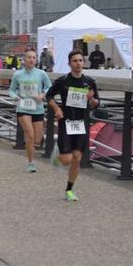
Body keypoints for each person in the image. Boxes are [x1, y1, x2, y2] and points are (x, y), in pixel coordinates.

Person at [46, 49, 99, 202]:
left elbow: (96, 104)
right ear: (69, 64)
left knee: (77, 157)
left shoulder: (90, 82)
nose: (78, 64)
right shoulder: (63, 81)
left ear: (84, 63)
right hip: (66, 123)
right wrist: (56, 108)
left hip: (82, 124)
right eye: (75, 61)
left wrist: (92, 99)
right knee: (66, 160)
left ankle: (69, 190)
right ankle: (57, 155)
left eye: (80, 61)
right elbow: (49, 95)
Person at [9, 49, 52, 173]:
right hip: (23, 107)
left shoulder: (41, 73)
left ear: (36, 60)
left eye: (34, 57)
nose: (31, 60)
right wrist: (16, 97)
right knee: (30, 134)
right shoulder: (18, 74)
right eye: (29, 57)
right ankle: (31, 162)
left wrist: (43, 95)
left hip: (37, 108)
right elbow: (11, 90)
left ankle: (32, 152)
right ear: (24, 60)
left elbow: (49, 87)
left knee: (37, 140)